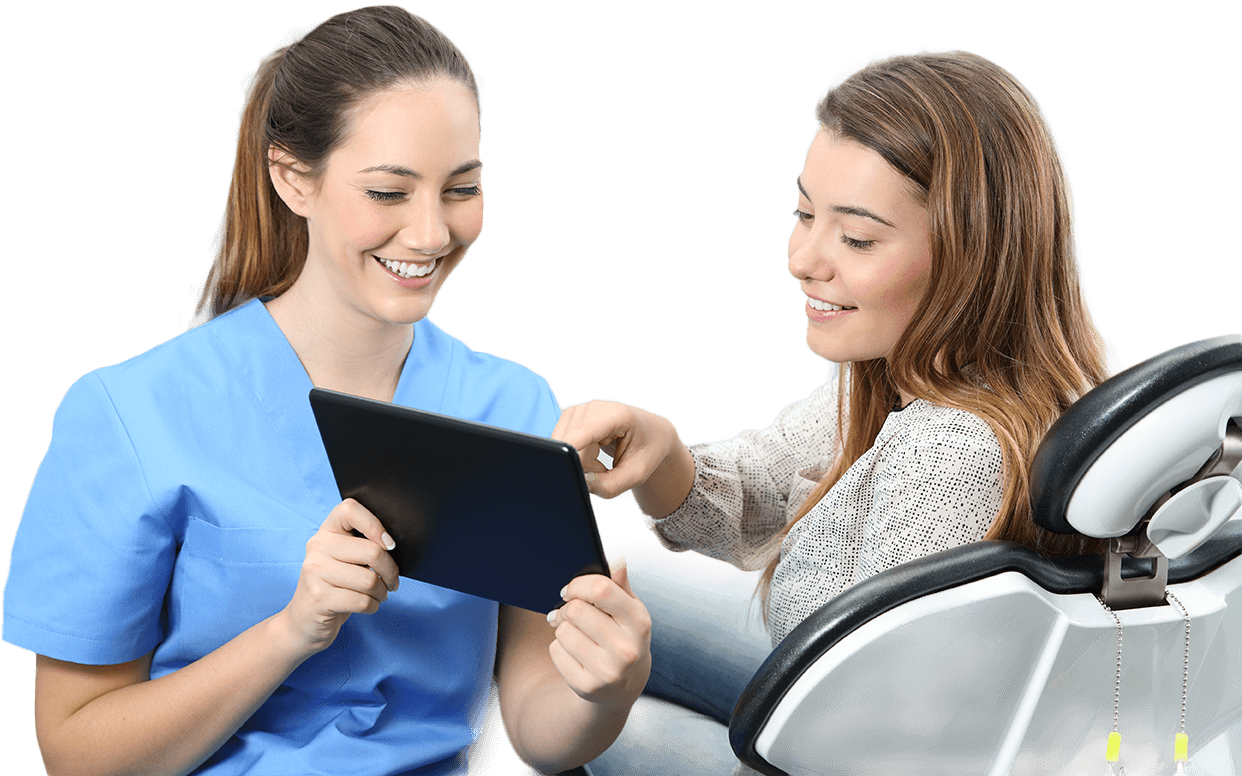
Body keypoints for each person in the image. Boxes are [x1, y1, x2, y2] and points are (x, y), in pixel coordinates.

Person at [1, 6, 650, 776]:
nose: (432, 234)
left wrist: (606, 690)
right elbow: (78, 754)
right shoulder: (127, 413)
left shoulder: (512, 406)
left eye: (461, 188)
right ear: (292, 178)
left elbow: (539, 734)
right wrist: (292, 631)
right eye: (387, 193)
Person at [553, 48, 1117, 775]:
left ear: (971, 258)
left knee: (581, 721)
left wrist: (595, 714)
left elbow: (875, 747)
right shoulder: (922, 366)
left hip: (859, 754)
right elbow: (774, 484)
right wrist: (665, 457)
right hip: (846, 705)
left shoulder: (949, 452)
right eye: (804, 213)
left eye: (855, 237)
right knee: (602, 586)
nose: (802, 258)